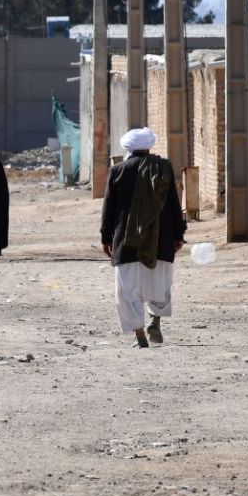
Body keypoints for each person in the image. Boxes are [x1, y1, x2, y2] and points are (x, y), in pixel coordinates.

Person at [101, 128, 186, 348]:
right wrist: (179, 234)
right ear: (149, 146)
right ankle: (155, 322)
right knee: (159, 283)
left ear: (127, 148)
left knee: (127, 291)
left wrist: (105, 237)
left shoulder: (117, 170)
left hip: (126, 242)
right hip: (161, 239)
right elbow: (175, 205)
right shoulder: (164, 168)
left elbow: (108, 209)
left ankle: (140, 338)